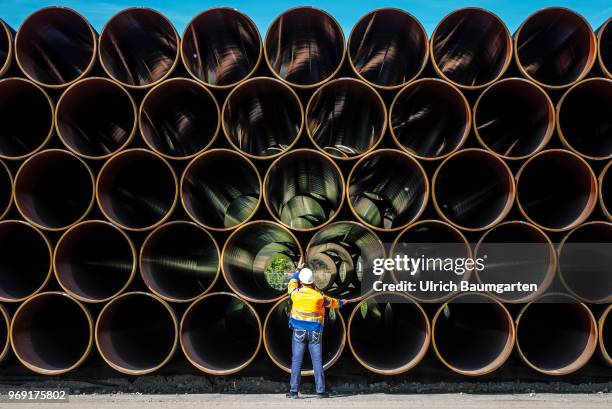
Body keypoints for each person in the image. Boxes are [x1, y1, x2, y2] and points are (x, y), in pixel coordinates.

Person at [285, 257, 345, 399]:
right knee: (317, 361)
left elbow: (291, 284)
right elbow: (334, 303)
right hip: (315, 333)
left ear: (301, 281)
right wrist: (343, 302)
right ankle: (321, 391)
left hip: (299, 332)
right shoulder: (319, 296)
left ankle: (293, 392)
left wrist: (298, 270)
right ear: (312, 282)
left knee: (297, 360)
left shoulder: (295, 294)